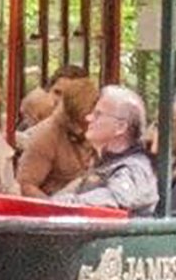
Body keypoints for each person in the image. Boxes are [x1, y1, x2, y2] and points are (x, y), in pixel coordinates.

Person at [53, 85, 159, 214]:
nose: (88, 118)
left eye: (98, 114)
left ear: (120, 127)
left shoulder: (134, 168)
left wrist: (65, 203)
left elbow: (114, 198)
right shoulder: (108, 162)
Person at [15, 75, 98, 196]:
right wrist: (54, 208)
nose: (81, 128)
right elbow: (25, 185)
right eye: (79, 121)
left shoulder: (103, 128)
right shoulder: (46, 135)